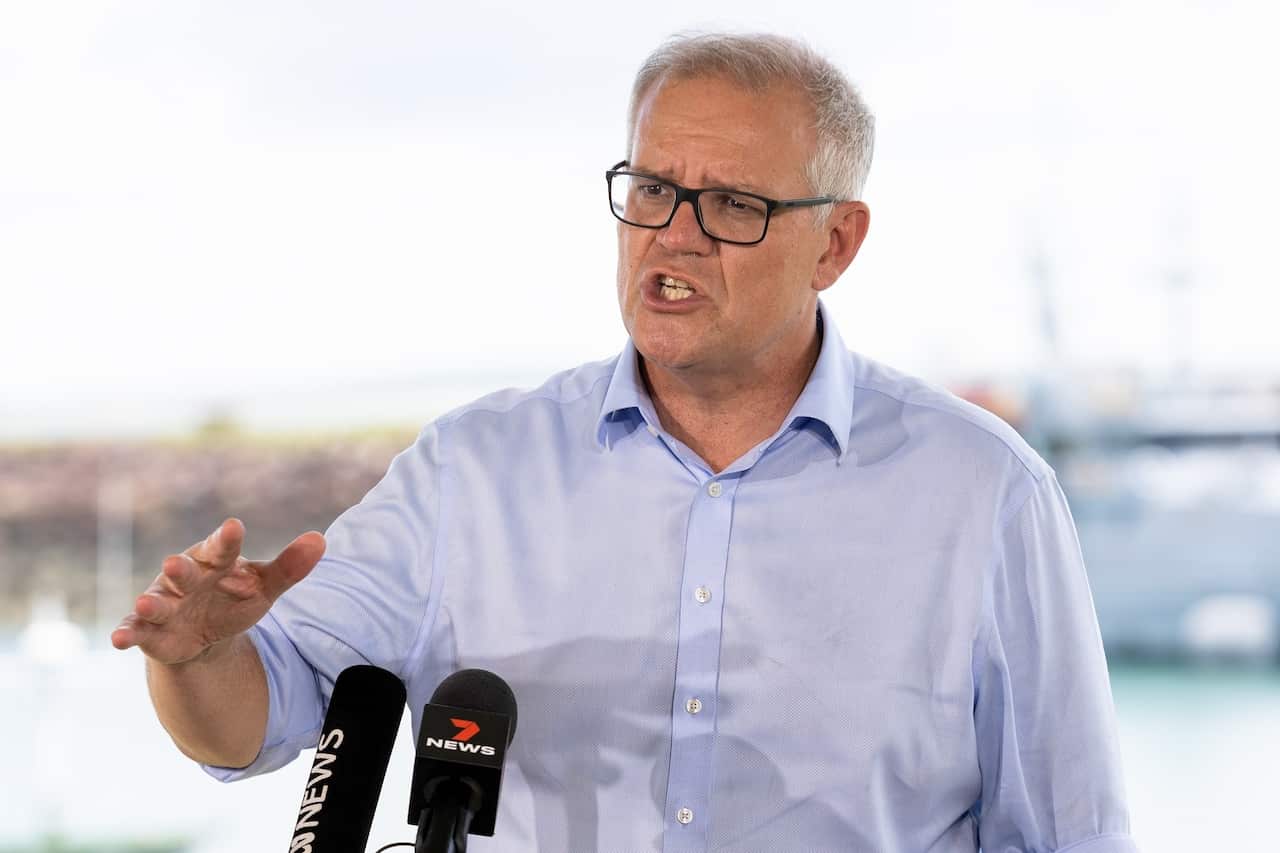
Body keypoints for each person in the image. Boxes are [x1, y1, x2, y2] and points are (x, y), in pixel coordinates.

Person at [112, 32, 1137, 852]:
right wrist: (199, 655)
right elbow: (262, 715)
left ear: (834, 242)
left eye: (731, 204)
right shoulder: (472, 470)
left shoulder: (983, 491)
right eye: (651, 188)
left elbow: (1067, 832)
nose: (672, 235)